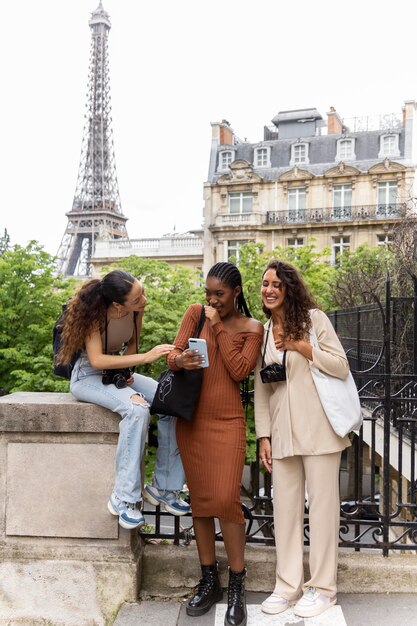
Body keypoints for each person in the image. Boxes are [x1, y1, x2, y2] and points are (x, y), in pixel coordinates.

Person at [167, 262, 263, 626]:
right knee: (203, 503)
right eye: (208, 293)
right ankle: (210, 581)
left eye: (219, 294)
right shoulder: (195, 314)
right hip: (193, 422)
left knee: (226, 500)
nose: (211, 300)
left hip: (228, 422)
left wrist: (219, 327)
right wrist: (181, 360)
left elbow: (239, 370)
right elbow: (173, 355)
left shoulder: (253, 328)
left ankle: (237, 584)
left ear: (236, 292)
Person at [254, 259, 351, 619]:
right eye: (265, 284)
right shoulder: (264, 331)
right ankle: (287, 585)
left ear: (289, 288)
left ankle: (324, 588)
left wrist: (300, 346)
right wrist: (263, 435)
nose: (269, 289)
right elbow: (263, 386)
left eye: (276, 284)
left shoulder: (315, 321)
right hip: (283, 433)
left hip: (321, 431)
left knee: (323, 511)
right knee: (285, 512)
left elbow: (340, 366)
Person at [56, 269, 190, 530]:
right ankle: (124, 498)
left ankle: (164, 487)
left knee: (170, 401)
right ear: (118, 304)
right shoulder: (95, 314)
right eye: (137, 298)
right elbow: (96, 360)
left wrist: (126, 372)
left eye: (142, 292)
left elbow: (131, 346)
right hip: (87, 376)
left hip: (115, 371)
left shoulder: (136, 310)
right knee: (137, 409)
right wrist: (146, 358)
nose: (143, 300)